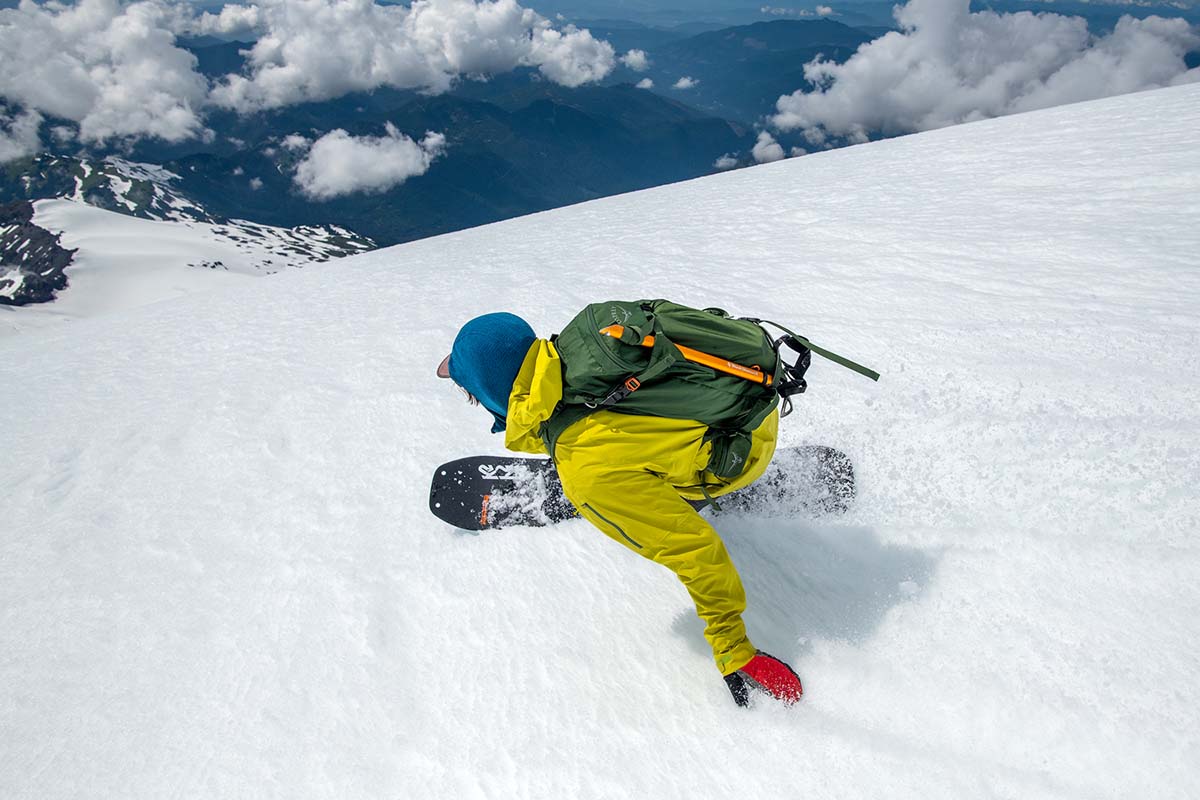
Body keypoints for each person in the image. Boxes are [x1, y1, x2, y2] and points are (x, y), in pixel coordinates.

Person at [437, 311, 803, 706]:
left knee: (614, 488)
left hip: (740, 455)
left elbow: (695, 551)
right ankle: (642, 473)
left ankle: (676, 489)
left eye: (472, 394)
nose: (475, 402)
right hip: (751, 402)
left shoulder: (588, 474)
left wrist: (734, 649)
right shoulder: (588, 346)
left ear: (494, 390)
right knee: (611, 468)